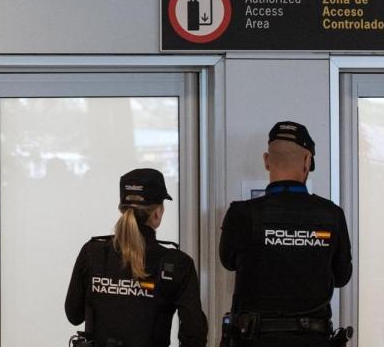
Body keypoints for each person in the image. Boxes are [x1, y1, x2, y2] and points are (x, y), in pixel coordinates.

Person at [219, 122, 353, 346]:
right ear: (307, 161)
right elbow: (342, 276)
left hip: (254, 339)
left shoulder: (241, 213)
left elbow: (228, 262)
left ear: (266, 160)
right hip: (312, 340)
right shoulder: (332, 215)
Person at [66, 168, 208, 347]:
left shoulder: (92, 252)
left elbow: (74, 315)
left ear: (122, 210)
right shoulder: (178, 263)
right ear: (157, 213)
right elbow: (194, 335)